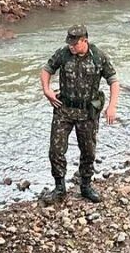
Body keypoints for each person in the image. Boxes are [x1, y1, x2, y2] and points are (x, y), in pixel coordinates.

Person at [40, 24, 119, 203]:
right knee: (56, 150)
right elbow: (46, 70)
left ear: (85, 40)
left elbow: (113, 81)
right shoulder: (63, 53)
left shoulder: (98, 56)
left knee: (88, 151)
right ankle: (59, 188)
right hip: (64, 109)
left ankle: (86, 186)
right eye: (70, 43)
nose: (71, 46)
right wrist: (47, 90)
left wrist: (112, 106)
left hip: (87, 112)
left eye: (75, 44)